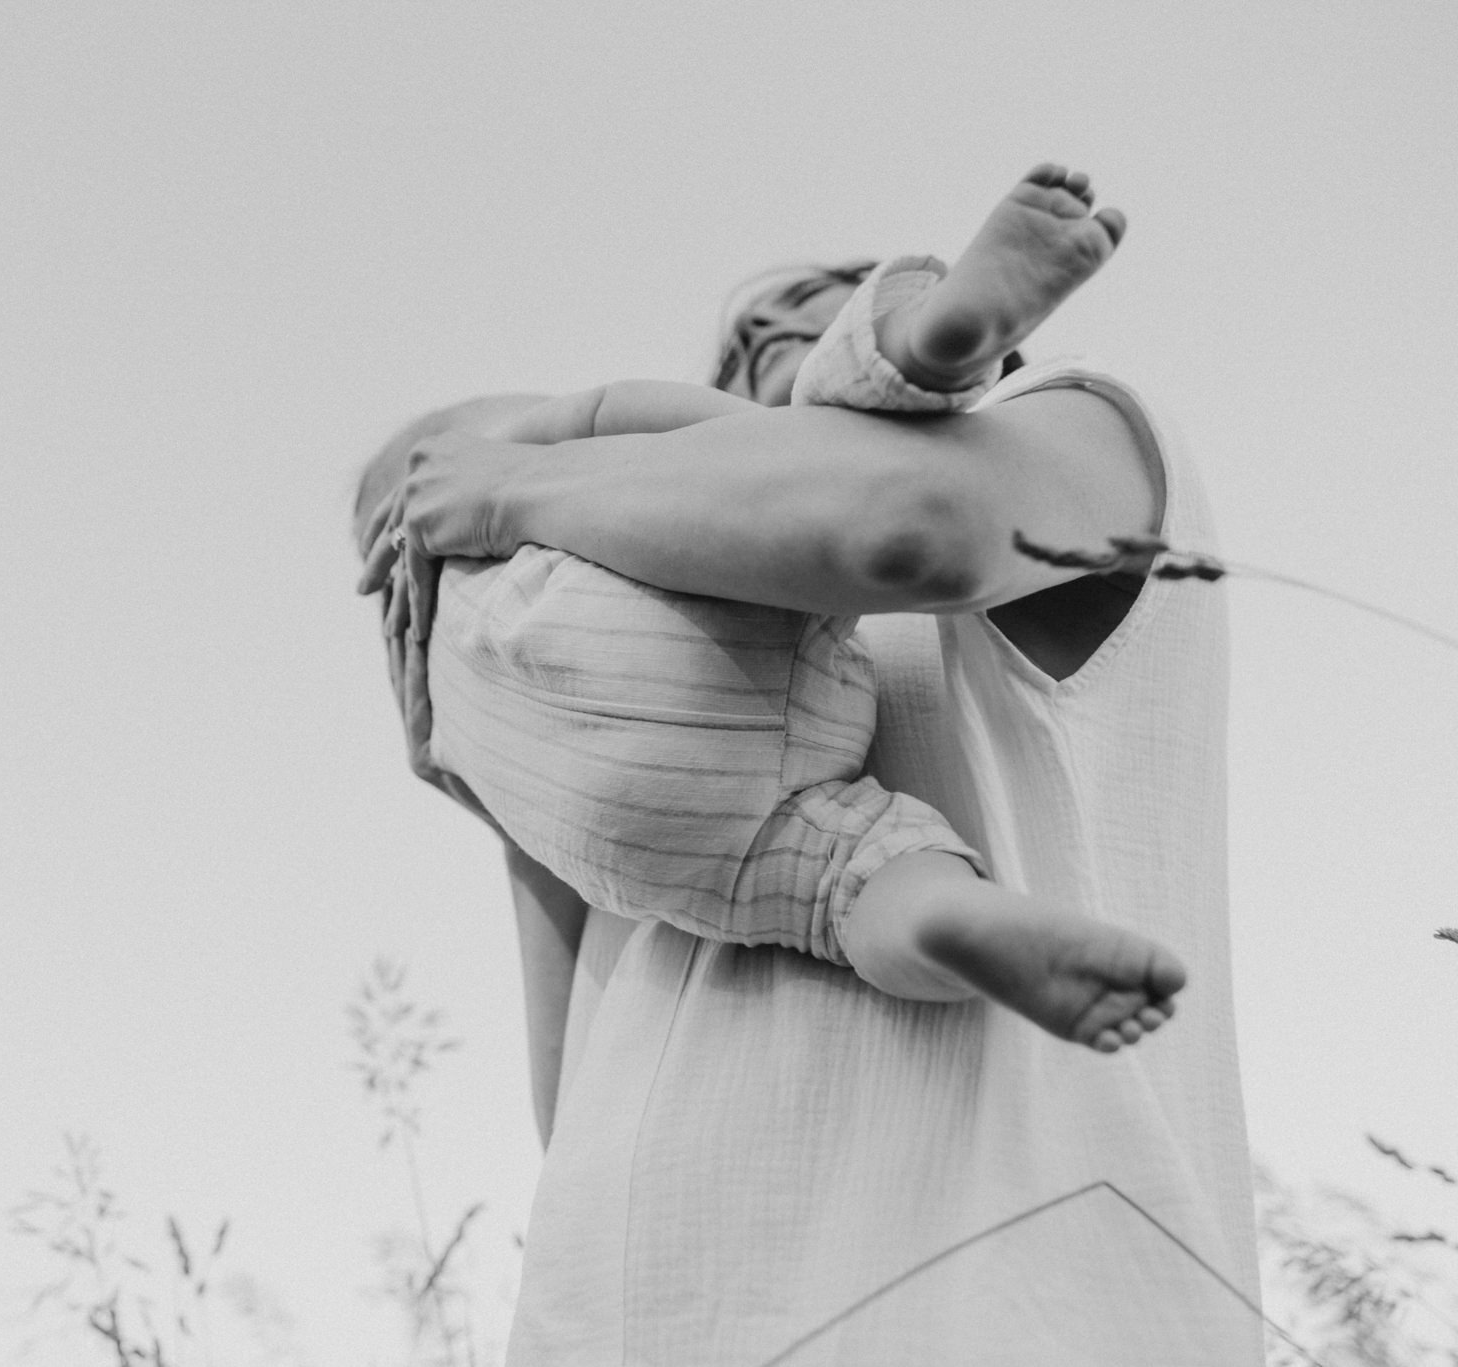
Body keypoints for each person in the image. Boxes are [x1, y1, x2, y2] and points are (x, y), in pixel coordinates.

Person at [360, 166, 1258, 1363]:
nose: (764, 351)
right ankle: (953, 923)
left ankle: (960, 923)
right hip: (642, 1321)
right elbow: (577, 1115)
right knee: (865, 880)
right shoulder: (646, 592)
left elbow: (897, 526)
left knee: (869, 875)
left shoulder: (1081, 429)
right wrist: (519, 785)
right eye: (739, 351)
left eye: (820, 322)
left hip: (994, 1309)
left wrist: (515, 485)